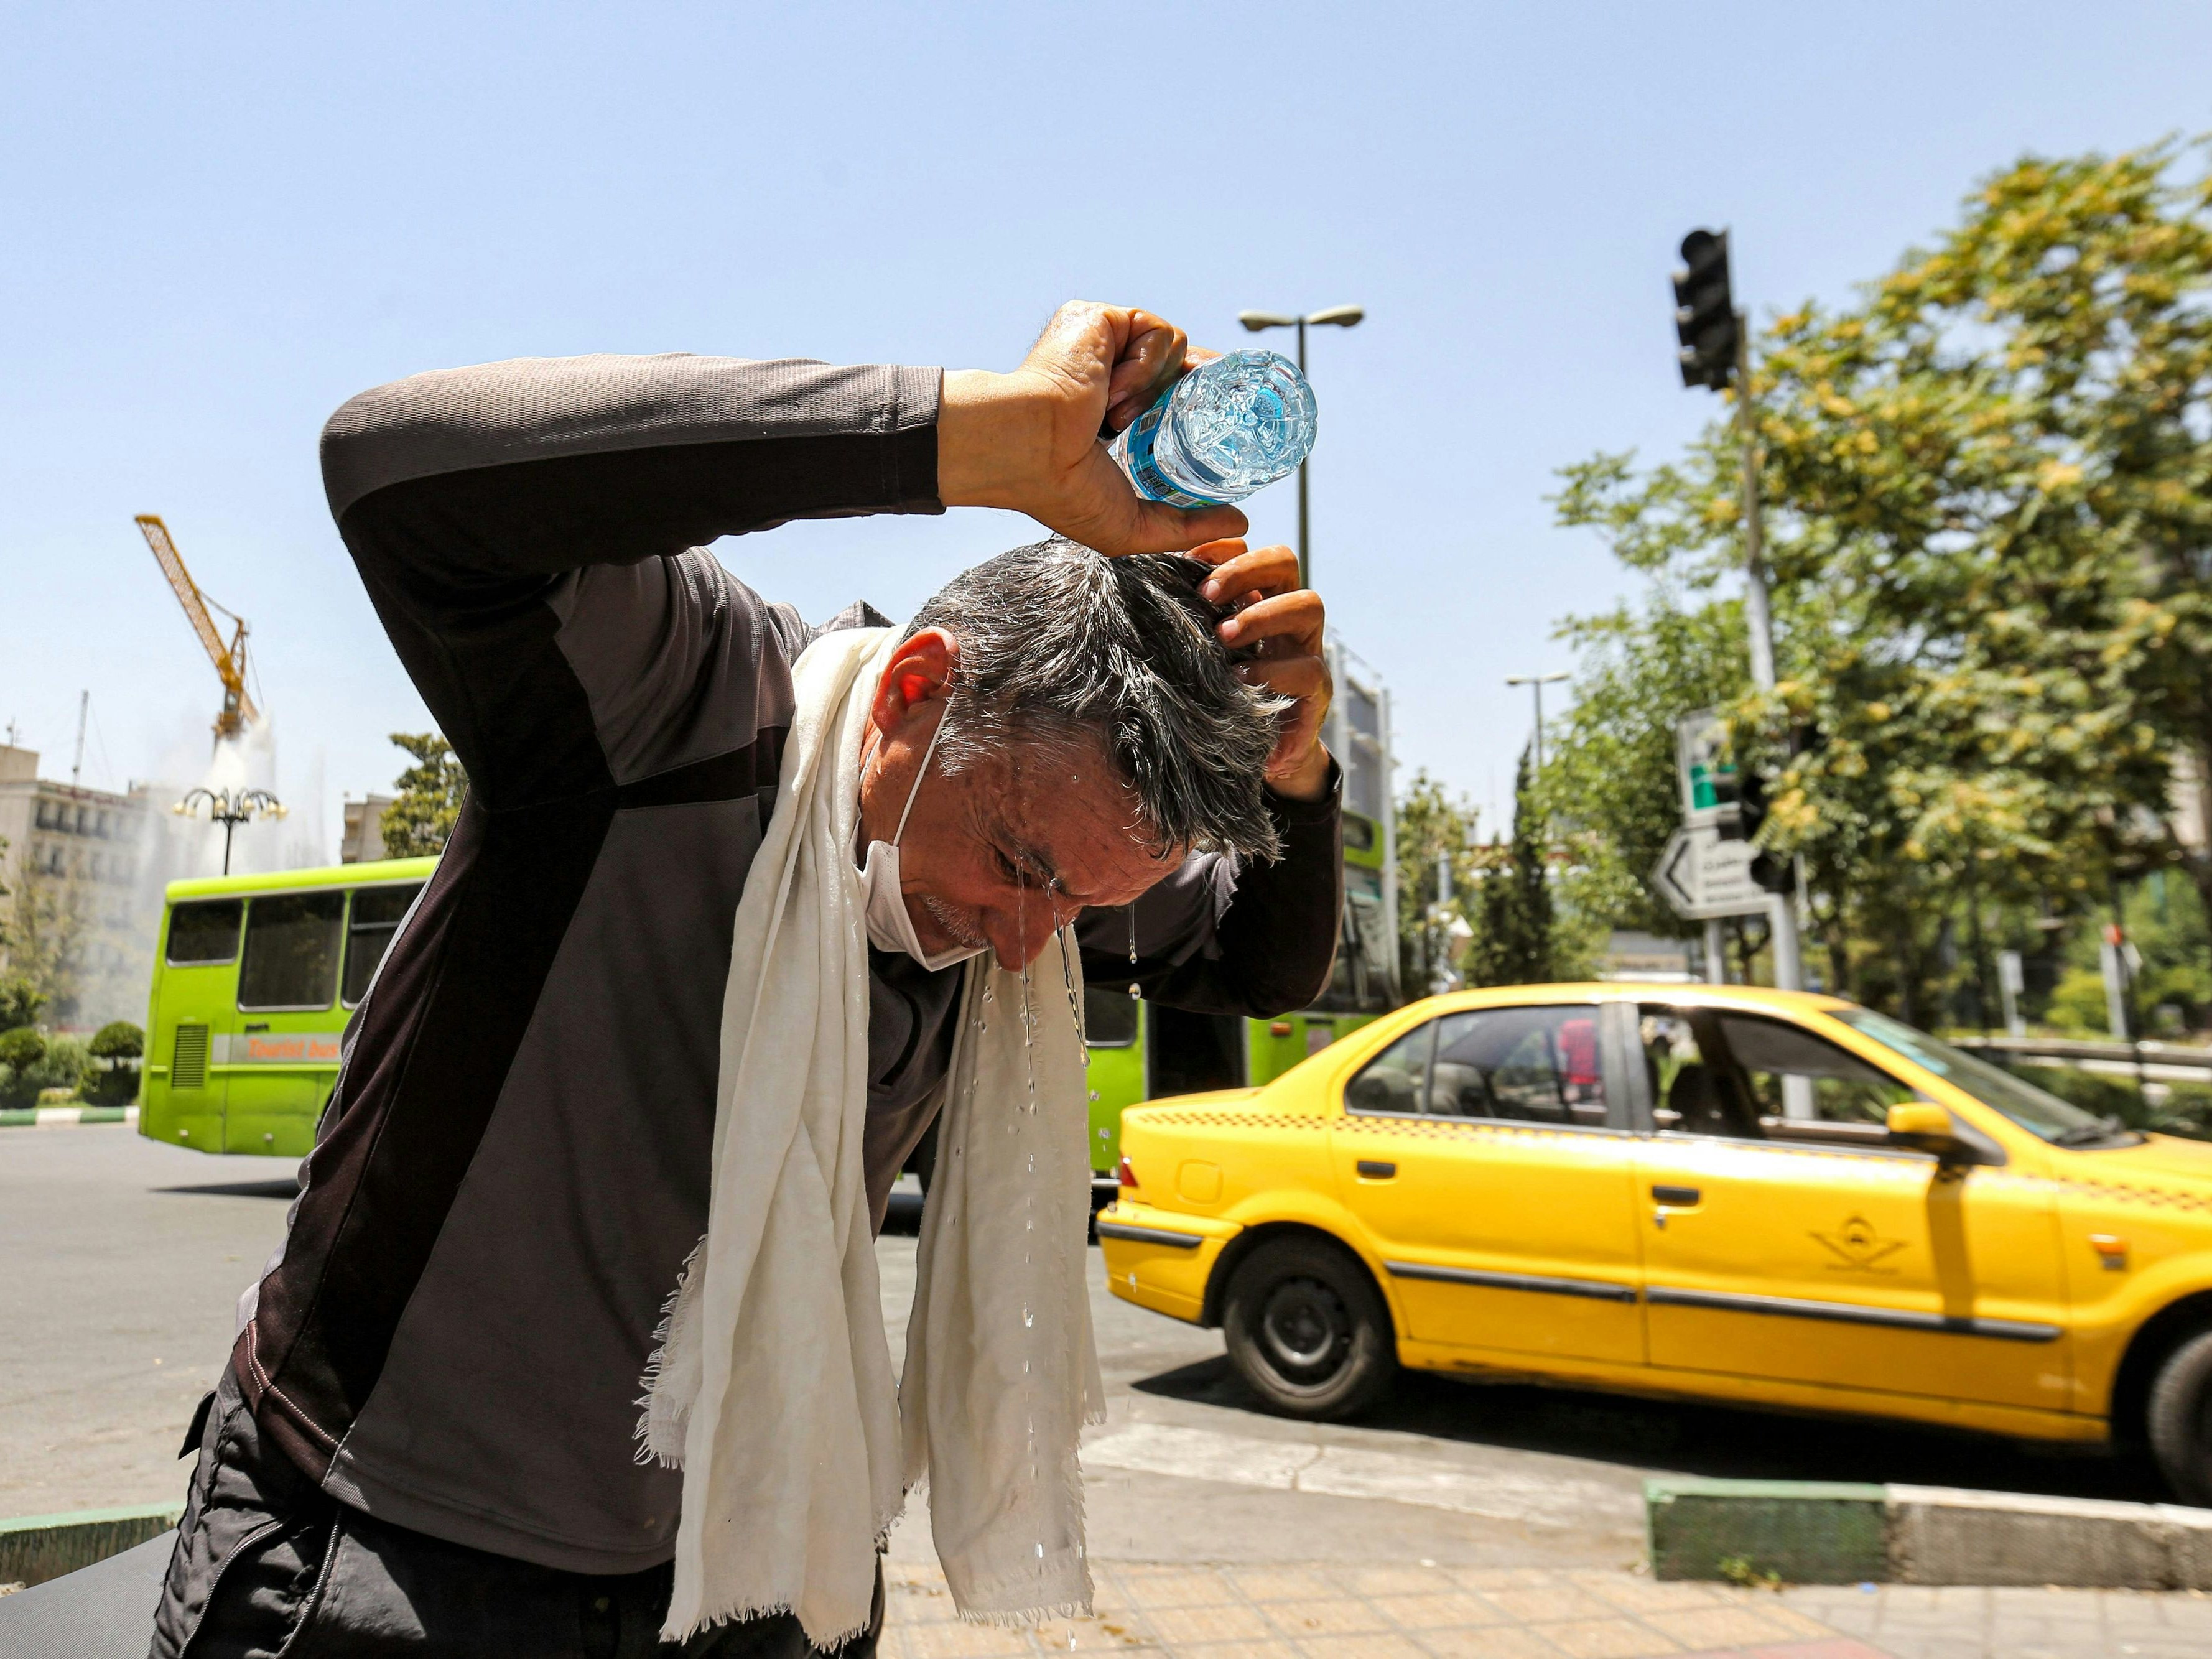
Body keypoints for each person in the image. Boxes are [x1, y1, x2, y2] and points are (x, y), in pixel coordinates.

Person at [148, 303, 1344, 1657]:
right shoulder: (679, 700)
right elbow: (393, 463)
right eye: (1021, 867)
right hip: (391, 1547)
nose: (1032, 946)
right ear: (914, 693)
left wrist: (1301, 770)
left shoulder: (1042, 874)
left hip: (763, 1562)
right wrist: (968, 436)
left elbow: (1255, 957)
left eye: (1086, 906)